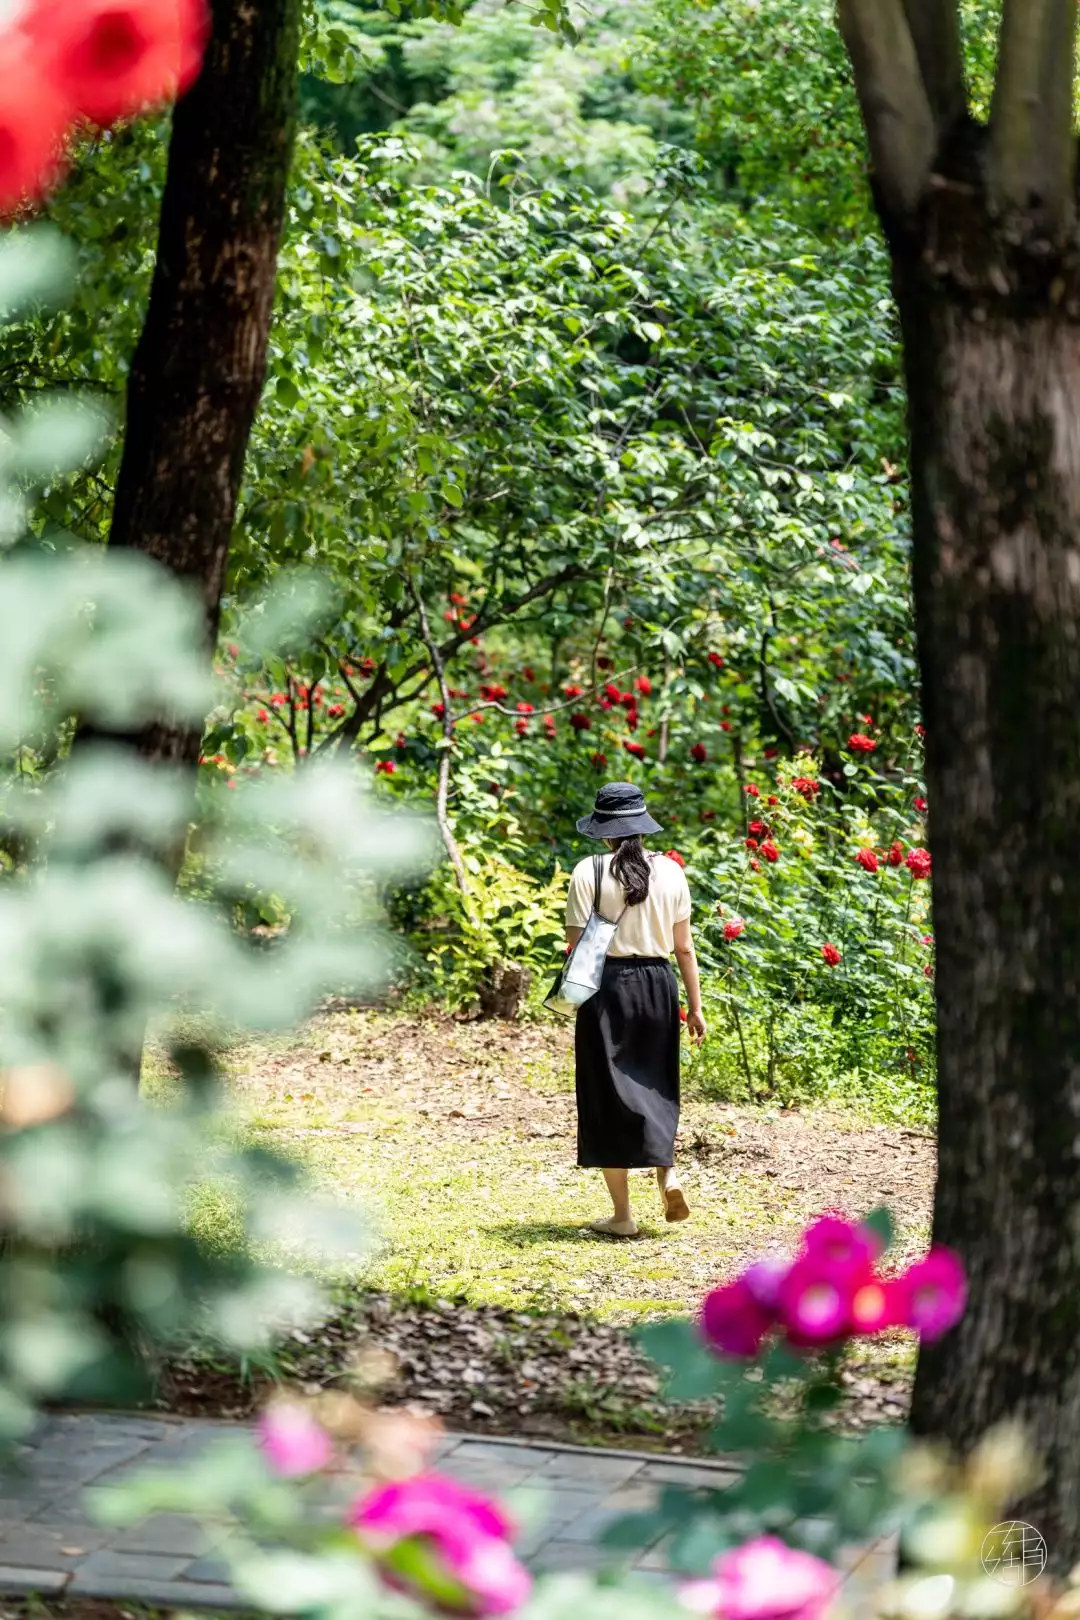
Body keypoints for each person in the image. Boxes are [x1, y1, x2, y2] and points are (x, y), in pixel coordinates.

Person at [565, 780, 706, 1237]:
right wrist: (695, 1008)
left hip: (606, 987)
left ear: (604, 830)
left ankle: (623, 1217)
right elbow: (684, 949)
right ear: (642, 827)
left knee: (606, 1095)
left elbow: (576, 950)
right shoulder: (672, 873)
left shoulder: (588, 871)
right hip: (659, 986)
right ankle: (668, 1172)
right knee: (657, 1084)